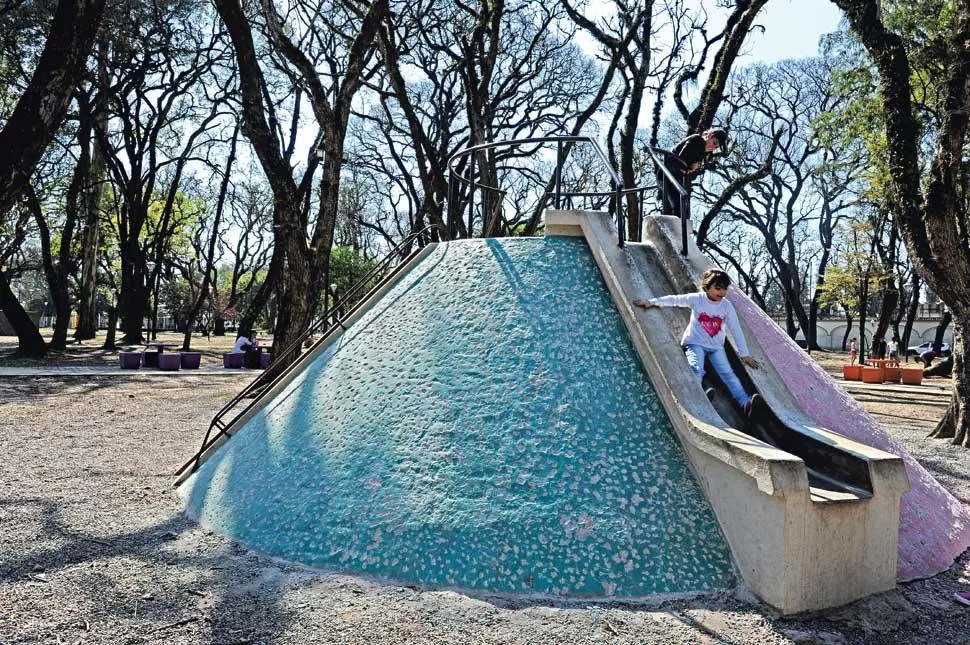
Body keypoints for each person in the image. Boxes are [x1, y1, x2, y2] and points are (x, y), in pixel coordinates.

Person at [633, 268, 761, 414]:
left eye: (725, 288)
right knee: (696, 368)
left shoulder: (726, 306)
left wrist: (744, 354)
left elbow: (736, 329)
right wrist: (651, 302)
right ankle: (700, 397)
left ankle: (745, 403)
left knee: (728, 374)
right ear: (707, 286)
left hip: (716, 347)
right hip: (694, 343)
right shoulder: (697, 299)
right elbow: (675, 300)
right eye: (717, 288)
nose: (722, 292)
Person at [656, 128, 729, 217]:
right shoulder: (698, 140)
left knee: (684, 208)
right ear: (710, 135)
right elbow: (680, 158)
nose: (713, 148)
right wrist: (690, 168)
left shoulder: (701, 152)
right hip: (667, 174)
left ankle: (677, 228)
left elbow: (687, 169)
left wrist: (690, 168)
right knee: (680, 205)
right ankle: (676, 228)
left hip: (675, 176)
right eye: (714, 143)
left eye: (716, 147)